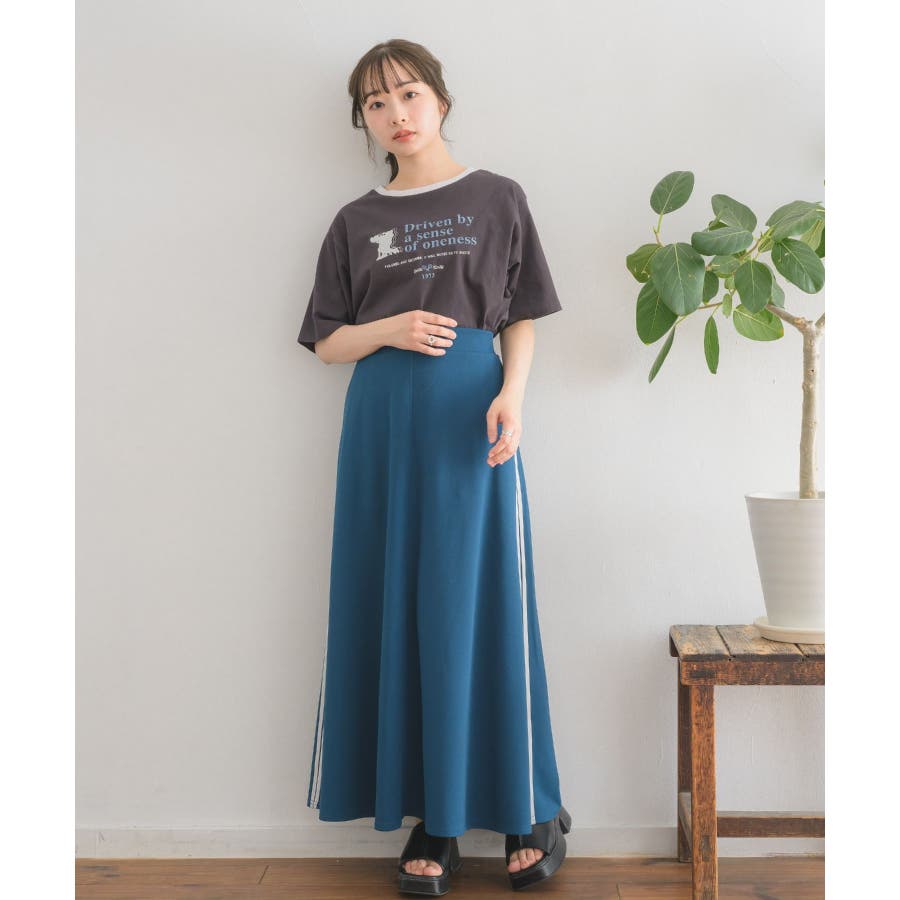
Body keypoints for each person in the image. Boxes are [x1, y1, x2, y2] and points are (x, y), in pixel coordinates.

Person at [298, 38, 571, 895]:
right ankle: (434, 819)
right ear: (364, 120)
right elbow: (326, 341)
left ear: (441, 101)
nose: (397, 114)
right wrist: (391, 327)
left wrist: (513, 395)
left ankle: (531, 805)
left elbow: (521, 313)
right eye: (376, 103)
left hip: (471, 421)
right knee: (399, 606)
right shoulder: (355, 220)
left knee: (483, 602)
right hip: (381, 430)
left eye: (409, 94)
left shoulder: (497, 197)